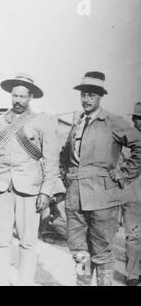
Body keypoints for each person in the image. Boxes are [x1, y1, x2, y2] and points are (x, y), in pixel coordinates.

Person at [60, 71, 141, 286]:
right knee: (80, 252)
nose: (86, 100)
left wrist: (124, 173)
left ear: (100, 97)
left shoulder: (113, 121)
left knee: (102, 251)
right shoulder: (77, 122)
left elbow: (138, 145)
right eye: (84, 95)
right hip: (75, 198)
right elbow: (65, 153)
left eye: (91, 96)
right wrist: (66, 178)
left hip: (102, 199)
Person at [0, 73, 59, 286]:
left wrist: (46, 192)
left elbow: (51, 161)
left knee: (27, 242)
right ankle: (1, 282)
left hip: (30, 189)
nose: (18, 100)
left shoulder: (42, 122)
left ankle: (25, 283)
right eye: (15, 95)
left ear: (31, 97)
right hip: (1, 186)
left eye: (23, 96)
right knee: (1, 240)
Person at [121, 102, 141, 286]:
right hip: (133, 197)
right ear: (134, 120)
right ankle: (132, 274)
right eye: (139, 118)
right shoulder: (126, 142)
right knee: (134, 236)